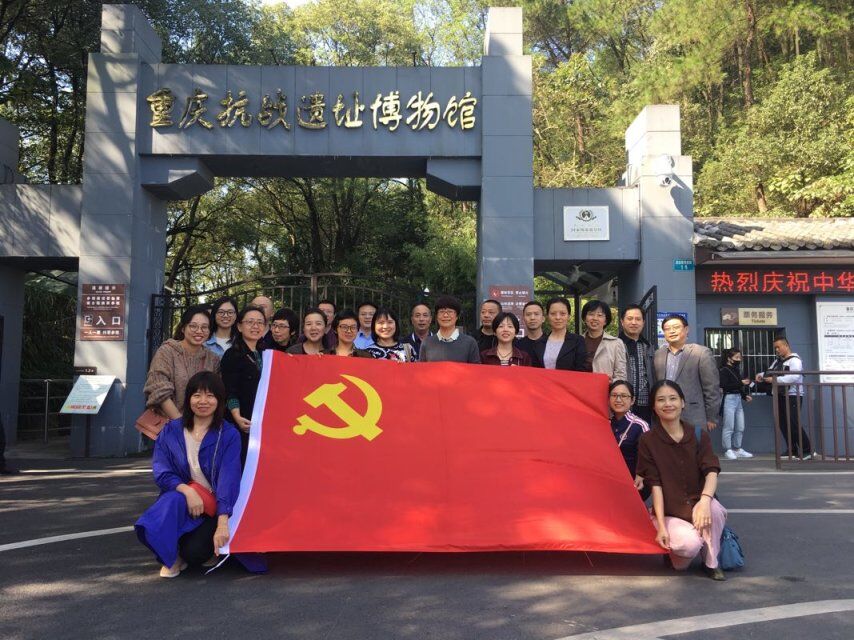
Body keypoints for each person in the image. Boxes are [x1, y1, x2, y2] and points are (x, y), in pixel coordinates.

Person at [135, 371, 241, 578]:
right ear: (188, 398)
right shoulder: (171, 431)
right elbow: (162, 471)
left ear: (219, 400)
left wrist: (222, 523)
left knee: (194, 553)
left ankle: (188, 551)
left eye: (210, 396)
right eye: (197, 395)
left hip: (212, 507)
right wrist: (187, 491)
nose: (203, 401)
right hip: (182, 501)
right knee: (165, 508)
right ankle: (171, 558)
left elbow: (228, 480)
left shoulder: (228, 434)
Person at [637, 380, 728, 581]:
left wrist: (705, 500)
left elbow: (712, 471)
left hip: (698, 506)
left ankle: (711, 562)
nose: (668, 404)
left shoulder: (698, 434)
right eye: (661, 400)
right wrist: (661, 526)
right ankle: (692, 544)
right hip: (672, 513)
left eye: (673, 398)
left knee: (715, 509)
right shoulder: (648, 440)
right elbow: (655, 485)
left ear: (683, 402)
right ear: (654, 406)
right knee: (687, 551)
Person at [144, 305, 220, 421]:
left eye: (204, 327)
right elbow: (158, 389)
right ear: (183, 328)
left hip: (201, 425)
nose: (199, 331)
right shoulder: (167, 351)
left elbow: (215, 393)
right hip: (169, 423)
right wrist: (180, 423)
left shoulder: (213, 359)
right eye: (193, 326)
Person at [653, 314, 721, 434]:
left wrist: (711, 417)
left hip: (693, 417)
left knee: (695, 446)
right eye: (667, 329)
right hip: (664, 417)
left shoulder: (701, 353)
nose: (672, 331)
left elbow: (712, 388)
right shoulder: (658, 354)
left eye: (676, 327)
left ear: (686, 329)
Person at [220, 305, 266, 465]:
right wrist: (237, 416)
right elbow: (229, 389)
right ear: (239, 326)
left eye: (260, 322)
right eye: (250, 322)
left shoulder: (267, 354)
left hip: (263, 422)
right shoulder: (232, 355)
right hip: (242, 421)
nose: (255, 326)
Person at [756, 337, 813, 460]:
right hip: (780, 395)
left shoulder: (795, 360)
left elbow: (794, 377)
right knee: (783, 424)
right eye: (775, 348)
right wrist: (761, 375)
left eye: (778, 347)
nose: (776, 350)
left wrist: (775, 380)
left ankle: (807, 450)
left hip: (793, 395)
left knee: (793, 423)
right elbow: (770, 372)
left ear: (786, 346)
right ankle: (792, 450)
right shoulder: (778, 361)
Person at [608, 380, 649, 500]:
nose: (618, 400)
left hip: (633, 484)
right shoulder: (605, 423)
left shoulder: (639, 425)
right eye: (614, 395)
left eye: (624, 396)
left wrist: (641, 475)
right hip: (609, 481)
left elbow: (648, 456)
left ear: (632, 400)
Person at [531, 297, 589, 372]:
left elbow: (582, 370)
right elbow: (535, 371)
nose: (558, 317)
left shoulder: (578, 341)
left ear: (568, 316)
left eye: (562, 314)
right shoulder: (539, 343)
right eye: (553, 314)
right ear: (547, 316)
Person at [418, 295, 481, 364]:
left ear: (457, 316)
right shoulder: (427, 343)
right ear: (436, 316)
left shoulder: (470, 343)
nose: (445, 315)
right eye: (441, 312)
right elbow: (422, 369)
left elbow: (476, 369)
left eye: (450, 311)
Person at [619, 304, 654, 422]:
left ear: (643, 322)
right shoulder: (615, 344)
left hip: (645, 405)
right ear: (622, 322)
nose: (634, 322)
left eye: (638, 319)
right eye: (629, 319)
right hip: (622, 402)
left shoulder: (648, 346)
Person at [719, 348, 753, 460]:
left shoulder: (736, 369)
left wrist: (744, 396)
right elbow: (724, 386)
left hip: (737, 398)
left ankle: (737, 449)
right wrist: (741, 382)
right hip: (729, 398)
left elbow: (738, 386)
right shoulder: (723, 370)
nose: (739, 359)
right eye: (736, 357)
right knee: (729, 426)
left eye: (740, 357)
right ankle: (728, 449)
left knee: (740, 426)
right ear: (729, 358)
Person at [581, 300, 627, 381]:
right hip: (580, 387)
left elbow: (621, 375)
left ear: (605, 321)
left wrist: (610, 382)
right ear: (584, 318)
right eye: (591, 314)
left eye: (600, 315)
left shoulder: (616, 344)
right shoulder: (577, 341)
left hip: (606, 388)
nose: (595, 318)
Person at [516, 301, 547, 367]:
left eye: (536, 314)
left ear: (543, 318)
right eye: (528, 314)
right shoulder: (517, 345)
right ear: (523, 319)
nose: (532, 318)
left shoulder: (551, 343)